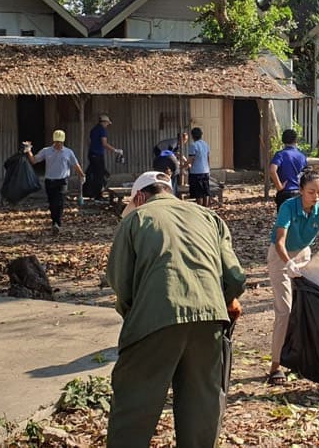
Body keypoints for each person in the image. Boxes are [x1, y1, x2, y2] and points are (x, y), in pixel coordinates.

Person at [106, 171, 246, 448]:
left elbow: (121, 284)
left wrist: (135, 317)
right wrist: (224, 300)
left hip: (156, 318)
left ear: (140, 197)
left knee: (133, 406)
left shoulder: (136, 218)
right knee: (200, 407)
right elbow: (235, 277)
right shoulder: (209, 217)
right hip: (210, 318)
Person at [266, 169, 319, 385]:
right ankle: (275, 366)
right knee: (285, 309)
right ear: (300, 191)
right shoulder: (289, 207)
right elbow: (280, 241)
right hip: (281, 257)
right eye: (311, 192)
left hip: (304, 255)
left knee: (307, 307)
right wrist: (288, 263)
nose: (315, 197)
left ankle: (300, 358)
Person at [24, 130, 85, 233]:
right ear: (54, 141)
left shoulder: (68, 152)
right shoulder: (46, 151)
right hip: (50, 181)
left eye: (60, 142)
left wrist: (82, 175)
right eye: (57, 142)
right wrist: (28, 150)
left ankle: (58, 223)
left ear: (63, 142)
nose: (59, 144)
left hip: (62, 181)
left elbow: (75, 165)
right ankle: (54, 222)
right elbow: (34, 160)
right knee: (52, 203)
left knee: (59, 202)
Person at [269, 129, 308, 211]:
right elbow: (305, 174)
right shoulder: (302, 156)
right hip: (299, 192)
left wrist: (279, 186)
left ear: (283, 140)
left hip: (285, 193)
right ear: (296, 140)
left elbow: (272, 170)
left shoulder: (280, 155)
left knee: (284, 221)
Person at [86, 114, 122, 200]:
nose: (107, 125)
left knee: (91, 173)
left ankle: (89, 192)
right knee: (99, 175)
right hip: (97, 154)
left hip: (91, 153)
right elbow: (104, 143)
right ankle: (98, 195)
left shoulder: (94, 129)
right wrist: (115, 150)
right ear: (104, 122)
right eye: (107, 123)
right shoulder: (102, 130)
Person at [187, 127, 211, 207]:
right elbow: (208, 158)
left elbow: (191, 159)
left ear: (192, 136)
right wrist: (208, 168)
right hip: (206, 171)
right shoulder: (206, 144)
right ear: (201, 135)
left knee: (198, 193)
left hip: (196, 172)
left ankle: (200, 209)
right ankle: (206, 208)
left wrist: (183, 166)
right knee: (205, 191)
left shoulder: (193, 145)